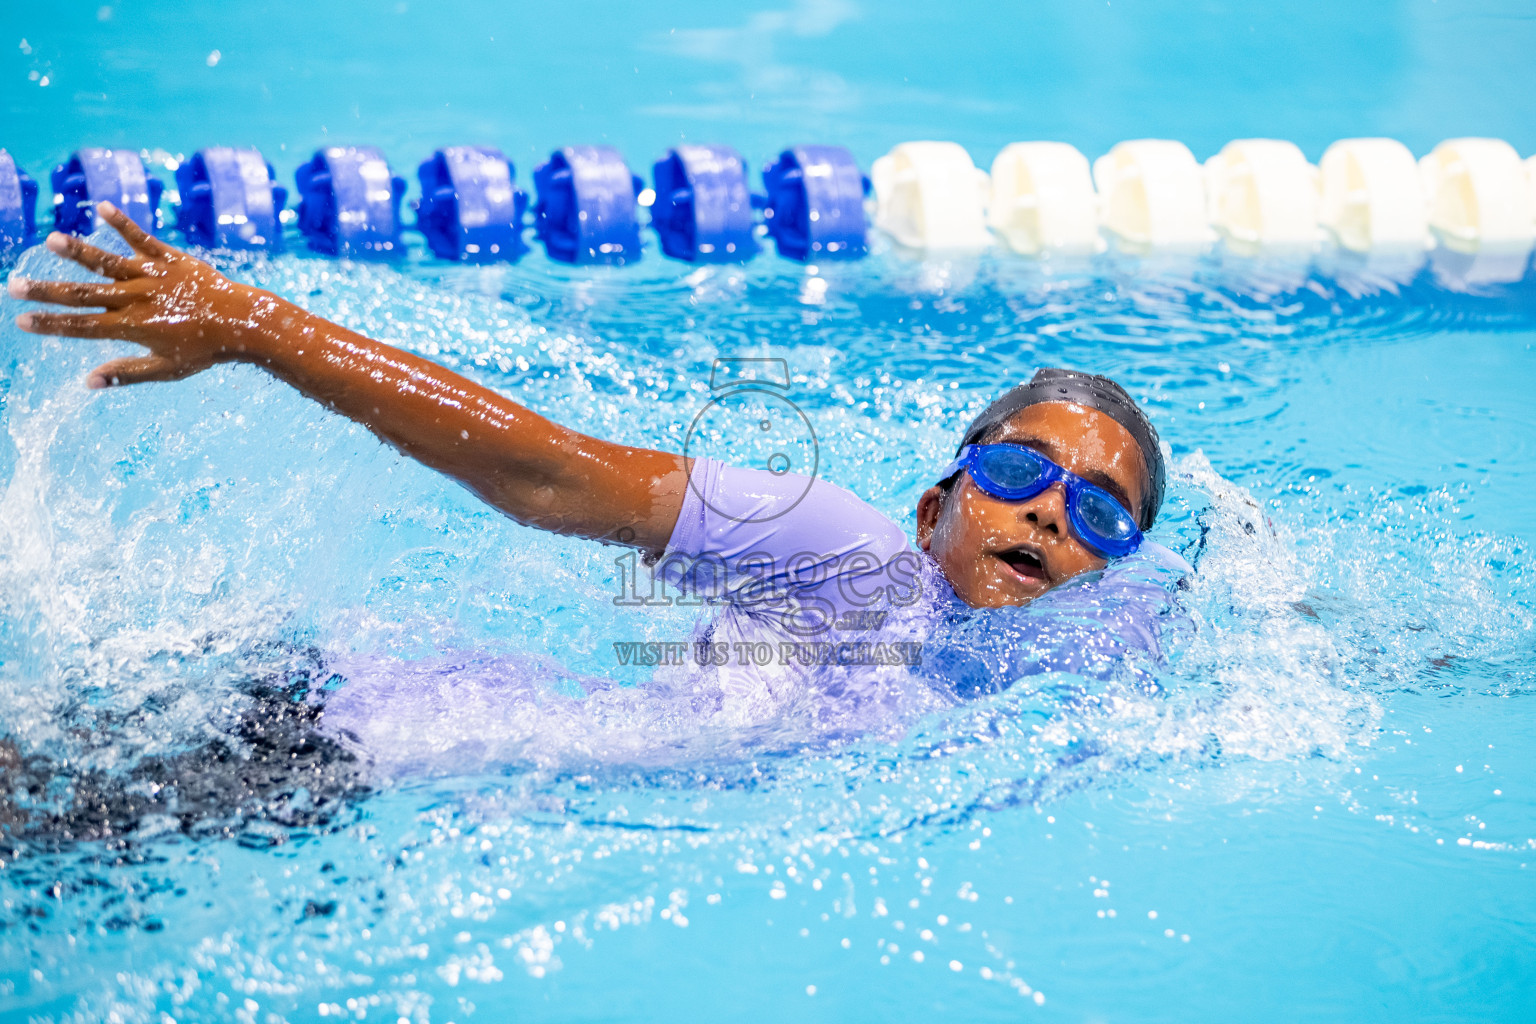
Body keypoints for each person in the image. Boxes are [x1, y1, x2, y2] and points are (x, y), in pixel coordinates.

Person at [10, 203, 1174, 633]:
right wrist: (260, 327)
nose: (1053, 514)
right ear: (936, 508)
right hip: (347, 751)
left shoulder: (1089, 650)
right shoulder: (839, 551)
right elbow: (546, 475)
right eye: (1023, 467)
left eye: (1103, 517)